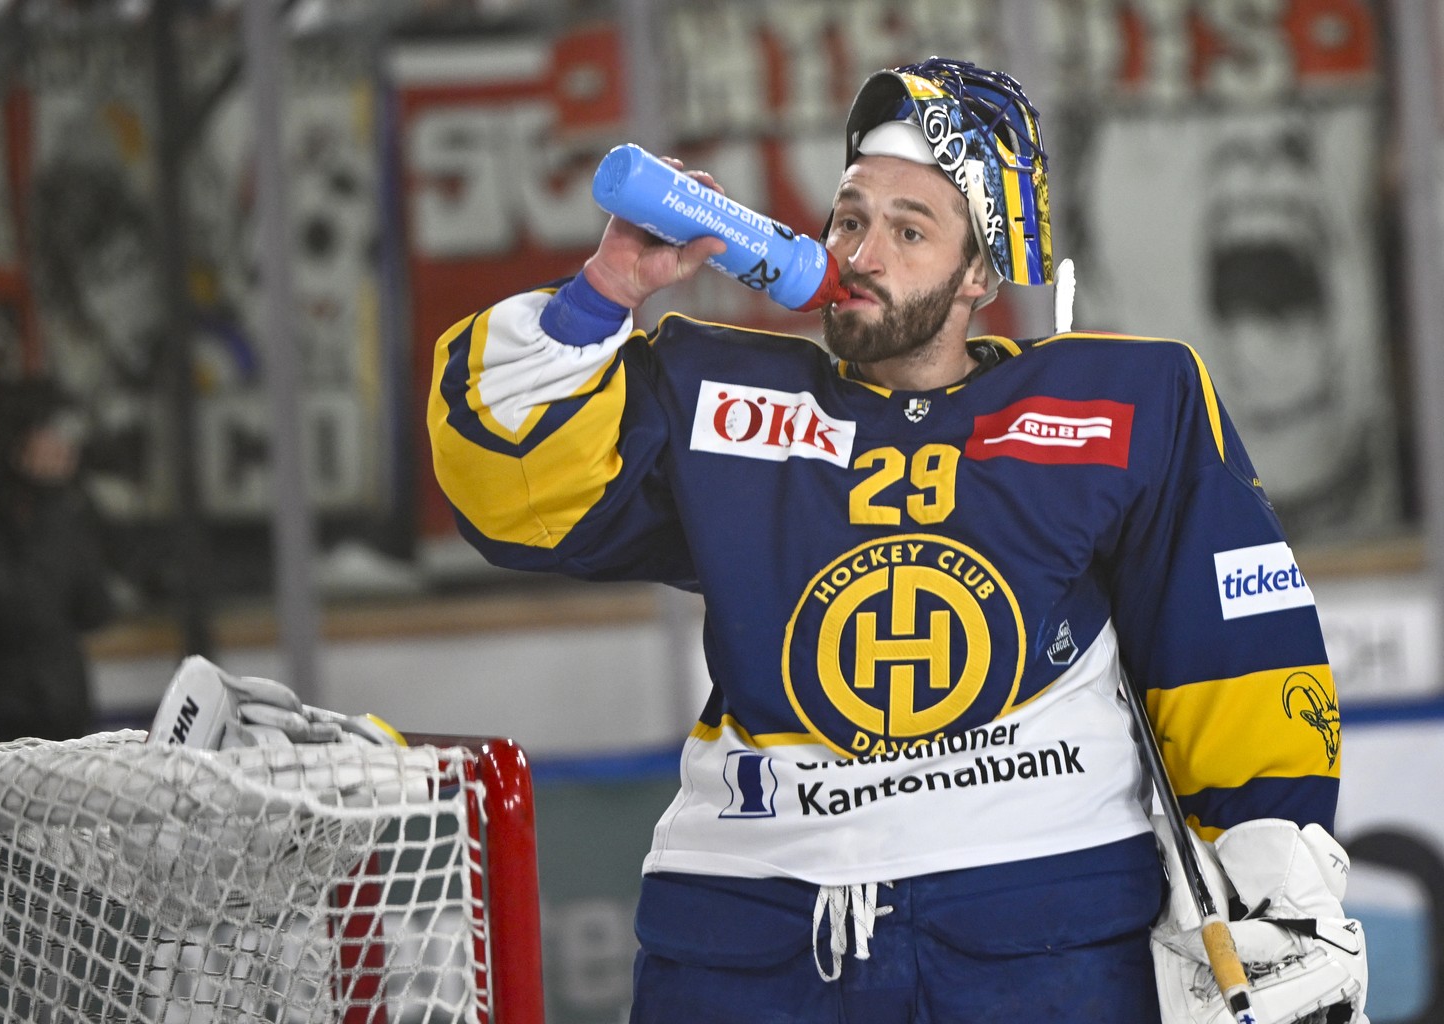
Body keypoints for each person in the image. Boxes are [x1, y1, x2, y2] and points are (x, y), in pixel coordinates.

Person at [428, 57, 1366, 1023]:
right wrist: (606, 288)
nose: (861, 251)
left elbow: (1235, 645)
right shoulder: (716, 398)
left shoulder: (1129, 404)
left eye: (909, 229)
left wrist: (1280, 890)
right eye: (849, 218)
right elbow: (508, 489)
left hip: (1040, 925)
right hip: (747, 933)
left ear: (981, 275)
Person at [0, 371, 118, 743]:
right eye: (51, 437)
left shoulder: (66, 514)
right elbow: (11, 605)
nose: (63, 451)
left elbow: (95, 609)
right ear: (19, 445)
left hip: (59, 717)